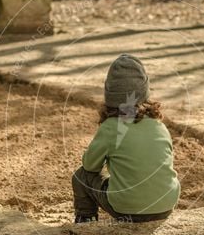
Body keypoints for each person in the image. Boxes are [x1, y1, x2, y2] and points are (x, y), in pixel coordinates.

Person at [72, 54, 180, 223]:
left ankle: (86, 220)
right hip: (166, 206)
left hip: (127, 210)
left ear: (110, 95)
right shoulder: (159, 126)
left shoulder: (111, 127)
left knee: (80, 177)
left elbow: (89, 166)